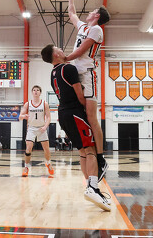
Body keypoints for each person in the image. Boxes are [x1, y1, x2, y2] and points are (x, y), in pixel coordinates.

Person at [41, 44, 111, 211]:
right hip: (74, 113)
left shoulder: (53, 73)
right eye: (58, 49)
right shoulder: (69, 69)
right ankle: (92, 187)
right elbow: (80, 96)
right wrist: (88, 110)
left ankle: (91, 186)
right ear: (55, 55)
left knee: (82, 151)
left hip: (63, 114)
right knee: (90, 149)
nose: (61, 50)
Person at [62, 0, 110, 180]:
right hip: (76, 74)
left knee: (91, 117)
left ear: (97, 15)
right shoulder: (83, 26)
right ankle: (88, 153)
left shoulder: (97, 29)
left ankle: (101, 157)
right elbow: (71, 13)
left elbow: (82, 50)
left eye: (94, 10)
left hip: (88, 75)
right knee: (81, 114)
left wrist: (64, 59)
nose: (90, 11)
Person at [19, 85, 54, 177]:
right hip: (31, 128)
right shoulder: (27, 104)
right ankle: (26, 167)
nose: (35, 91)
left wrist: (45, 127)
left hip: (41, 128)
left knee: (46, 149)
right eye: (34, 90)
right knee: (28, 148)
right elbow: (20, 116)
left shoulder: (44, 104)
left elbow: (49, 117)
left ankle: (48, 163)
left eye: (37, 90)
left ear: (40, 92)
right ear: (32, 92)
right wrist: (23, 116)